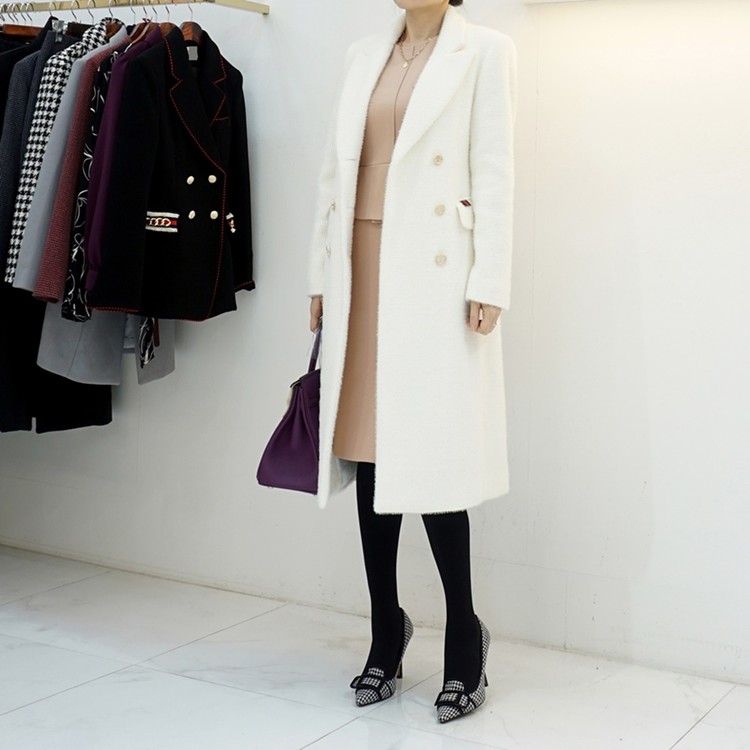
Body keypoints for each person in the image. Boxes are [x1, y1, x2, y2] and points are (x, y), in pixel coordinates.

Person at [306, 0, 516, 723]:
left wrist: (490, 279)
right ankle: (384, 630)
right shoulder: (365, 54)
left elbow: (496, 170)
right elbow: (332, 177)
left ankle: (464, 633)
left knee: (434, 452)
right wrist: (319, 275)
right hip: (360, 265)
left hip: (432, 274)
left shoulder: (484, 50)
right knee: (367, 450)